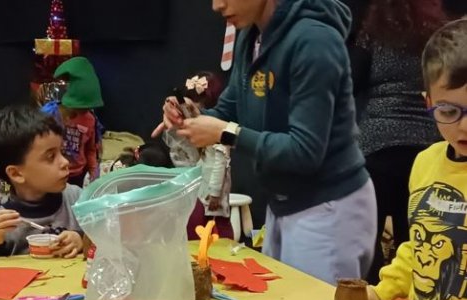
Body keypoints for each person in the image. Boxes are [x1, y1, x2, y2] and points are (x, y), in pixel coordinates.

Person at [156, 0, 376, 285]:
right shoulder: (251, 37)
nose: (216, 5)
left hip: (329, 206)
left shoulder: (314, 41)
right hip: (284, 204)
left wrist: (225, 132)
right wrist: (188, 116)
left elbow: (305, 151)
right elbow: (227, 111)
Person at [368, 19, 467, 300]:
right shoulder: (425, 163)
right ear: (428, 103)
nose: (464, 126)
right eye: (449, 111)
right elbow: (416, 244)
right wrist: (382, 290)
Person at [351, 0, 446, 282]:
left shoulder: (372, 33)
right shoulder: (436, 33)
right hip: (424, 149)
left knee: (367, 242)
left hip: (376, 148)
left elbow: (352, 80)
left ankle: (367, 296)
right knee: (416, 241)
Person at [0, 104, 83, 258]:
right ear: (16, 173)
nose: (65, 162)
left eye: (62, 152)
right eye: (51, 156)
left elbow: (108, 239)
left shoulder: (79, 199)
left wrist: (81, 239)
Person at [168, 71, 234, 240]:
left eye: (199, 105)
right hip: (200, 184)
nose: (194, 110)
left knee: (218, 225)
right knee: (199, 223)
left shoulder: (216, 129)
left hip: (213, 189)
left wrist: (215, 193)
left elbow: (220, 163)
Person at [42, 56, 104, 187]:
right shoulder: (49, 114)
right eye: (83, 106)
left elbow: (91, 149)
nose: (86, 110)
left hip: (77, 174)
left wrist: (94, 169)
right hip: (53, 172)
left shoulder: (90, 119)